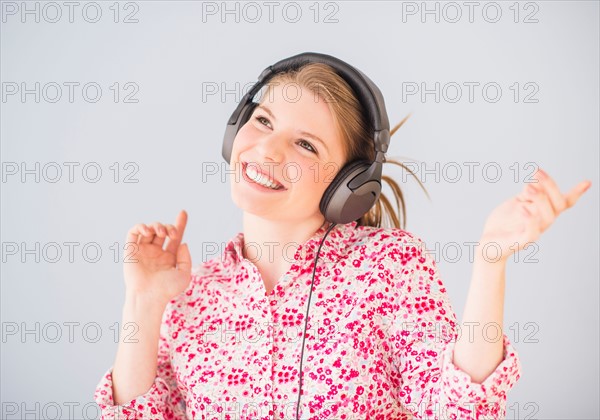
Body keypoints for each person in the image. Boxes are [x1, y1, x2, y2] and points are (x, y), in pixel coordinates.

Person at [94, 53, 592, 419]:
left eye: (305, 145)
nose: (266, 150)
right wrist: (143, 301)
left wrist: (490, 260)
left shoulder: (388, 267)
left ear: (346, 186)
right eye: (263, 120)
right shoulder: (190, 294)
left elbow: (458, 410)